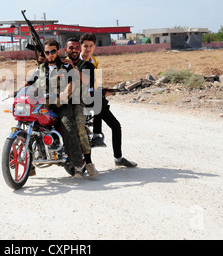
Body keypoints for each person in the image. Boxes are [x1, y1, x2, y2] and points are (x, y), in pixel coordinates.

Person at [18, 39, 86, 178]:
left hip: (61, 105)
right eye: (47, 52)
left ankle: (77, 164)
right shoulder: (40, 69)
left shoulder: (66, 67)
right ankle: (29, 165)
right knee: (30, 126)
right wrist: (17, 92)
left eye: (53, 51)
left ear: (58, 51)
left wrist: (66, 92)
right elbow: (29, 83)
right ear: (45, 53)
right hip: (44, 105)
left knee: (67, 126)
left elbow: (72, 82)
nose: (50, 54)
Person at [79, 33, 138, 168]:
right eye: (85, 46)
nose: (88, 49)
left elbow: (94, 84)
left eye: (91, 46)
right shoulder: (75, 61)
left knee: (116, 126)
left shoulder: (94, 61)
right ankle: (95, 138)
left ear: (94, 47)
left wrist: (102, 90)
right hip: (79, 100)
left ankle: (118, 158)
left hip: (94, 99)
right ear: (81, 46)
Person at [64, 37, 99, 178]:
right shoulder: (61, 64)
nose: (74, 50)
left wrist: (72, 67)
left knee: (79, 125)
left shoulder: (87, 65)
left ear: (80, 49)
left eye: (76, 47)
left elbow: (87, 82)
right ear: (65, 50)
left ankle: (88, 163)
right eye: (70, 48)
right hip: (62, 102)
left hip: (79, 101)